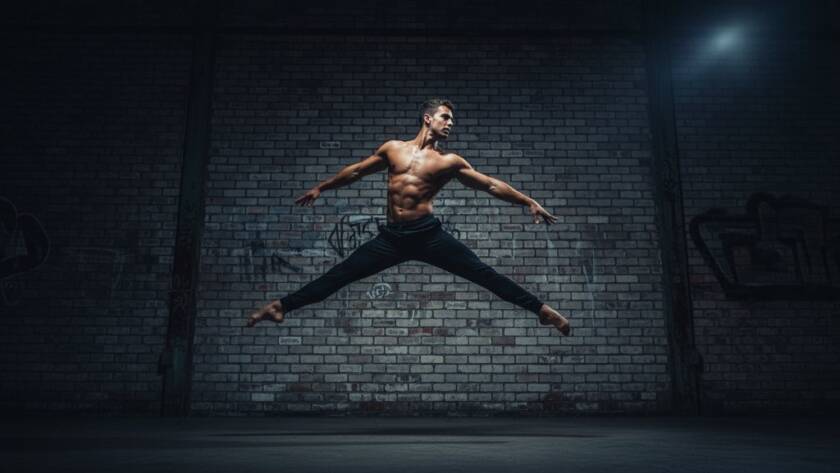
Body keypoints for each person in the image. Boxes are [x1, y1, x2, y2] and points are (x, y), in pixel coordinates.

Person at [247, 98, 570, 335]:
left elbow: (490, 185)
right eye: (445, 117)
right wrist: (322, 187)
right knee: (339, 275)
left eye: (452, 120)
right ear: (428, 118)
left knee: (484, 274)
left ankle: (541, 310)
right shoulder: (393, 149)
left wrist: (528, 201)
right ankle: (279, 306)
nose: (450, 123)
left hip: (428, 236)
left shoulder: (449, 162)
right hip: (392, 239)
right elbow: (357, 171)